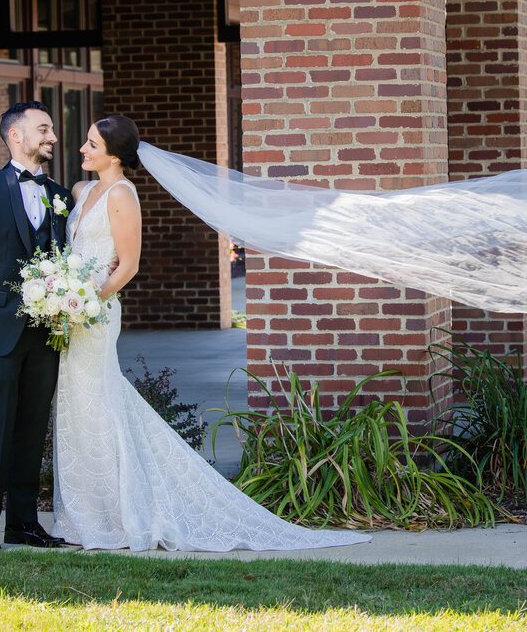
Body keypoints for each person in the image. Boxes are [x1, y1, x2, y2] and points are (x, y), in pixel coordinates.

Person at [51, 115, 369, 551]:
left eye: (91, 144)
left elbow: (128, 265)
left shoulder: (123, 195)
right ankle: (85, 513)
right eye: (85, 142)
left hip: (94, 314)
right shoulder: (81, 191)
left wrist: (83, 305)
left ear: (115, 153)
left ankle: (123, 513)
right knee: (75, 403)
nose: (83, 149)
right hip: (70, 315)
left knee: (99, 400)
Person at [0, 101, 72, 552]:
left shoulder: (60, 194)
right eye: (44, 129)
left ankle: (24, 523)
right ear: (15, 136)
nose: (53, 138)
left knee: (32, 428)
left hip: (48, 331)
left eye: (53, 130)